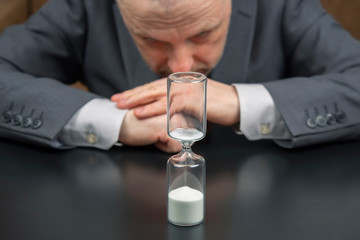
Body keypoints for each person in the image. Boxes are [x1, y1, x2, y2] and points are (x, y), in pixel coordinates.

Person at [0, 0, 360, 152]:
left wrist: (240, 101)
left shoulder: (282, 6)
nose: (181, 69)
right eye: (151, 39)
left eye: (203, 35)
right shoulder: (84, 7)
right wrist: (116, 121)